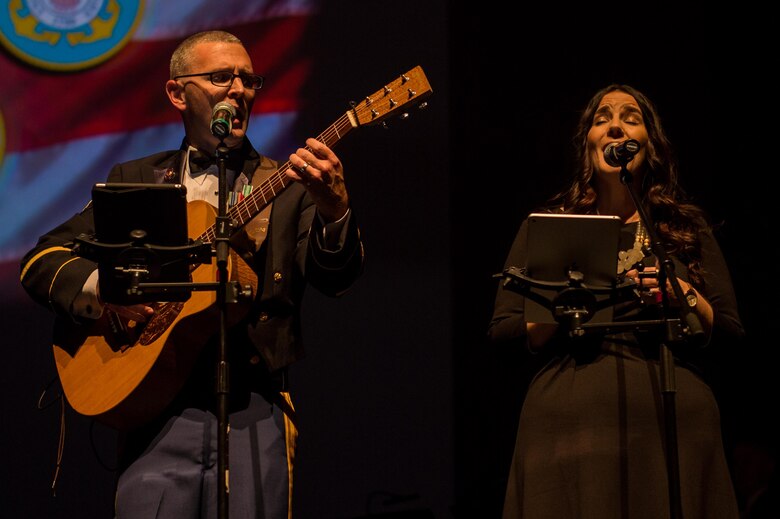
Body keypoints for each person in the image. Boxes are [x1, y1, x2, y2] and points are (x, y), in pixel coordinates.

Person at [19, 30, 364, 518]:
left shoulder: (287, 185)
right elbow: (43, 259)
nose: (239, 90)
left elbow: (336, 278)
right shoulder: (135, 180)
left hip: (255, 407)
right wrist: (109, 293)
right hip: (153, 413)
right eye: (221, 77)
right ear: (177, 92)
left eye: (249, 79)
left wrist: (336, 211)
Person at [488, 84, 745, 518]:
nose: (614, 126)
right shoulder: (549, 227)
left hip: (671, 427)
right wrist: (566, 303)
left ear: (651, 145)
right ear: (587, 142)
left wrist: (682, 295)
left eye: (630, 117)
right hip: (571, 435)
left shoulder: (683, 228)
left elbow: (732, 337)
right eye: (601, 118)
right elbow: (503, 335)